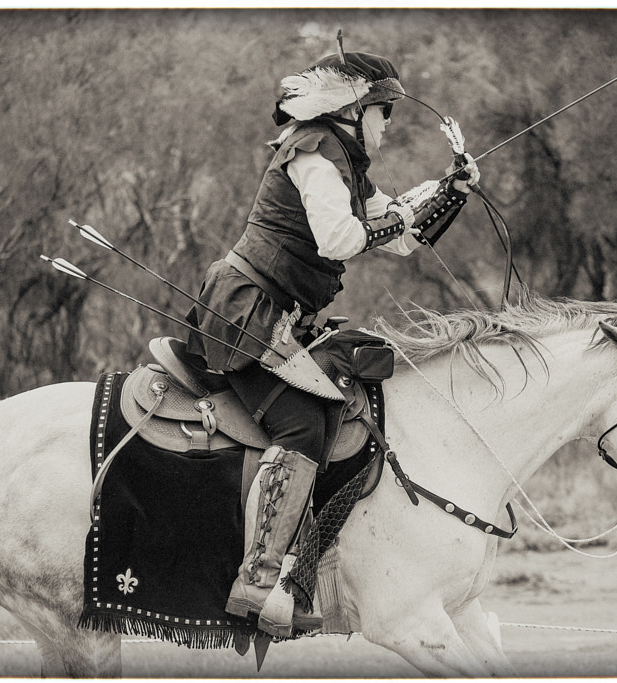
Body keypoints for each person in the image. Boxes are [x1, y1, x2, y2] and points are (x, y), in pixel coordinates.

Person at [183, 50, 480, 637]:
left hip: (279, 316)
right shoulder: (314, 153)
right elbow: (340, 239)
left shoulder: (346, 163)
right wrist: (400, 216)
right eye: (384, 111)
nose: (388, 123)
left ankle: (313, 566)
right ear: (354, 109)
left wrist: (451, 191)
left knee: (337, 408)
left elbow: (398, 237)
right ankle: (259, 583)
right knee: (302, 425)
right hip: (247, 312)